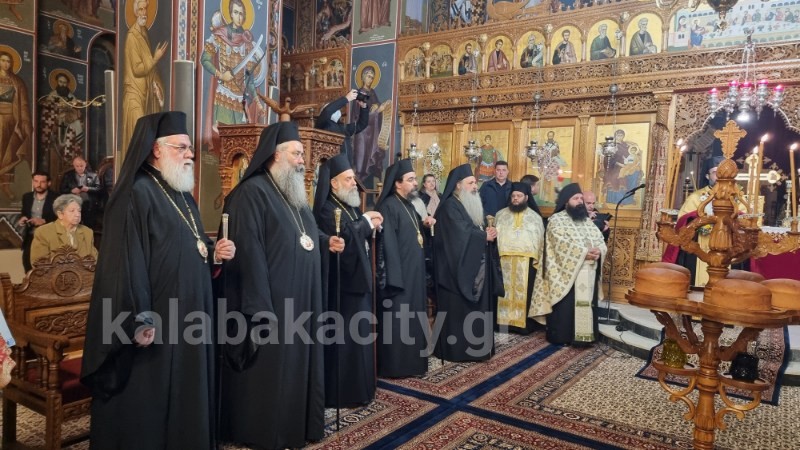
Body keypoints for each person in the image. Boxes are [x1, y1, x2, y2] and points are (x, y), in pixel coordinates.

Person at [81, 111, 235, 450]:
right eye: (182, 147)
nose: (190, 154)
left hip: (190, 316)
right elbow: (125, 263)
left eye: (190, 148)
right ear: (156, 149)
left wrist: (214, 253)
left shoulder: (181, 194)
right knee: (151, 397)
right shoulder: (136, 193)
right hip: (156, 320)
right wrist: (140, 318)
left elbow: (191, 244)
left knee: (185, 391)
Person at [220, 121, 342, 449]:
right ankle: (264, 432)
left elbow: (305, 235)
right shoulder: (250, 194)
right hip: (271, 306)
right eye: (297, 154)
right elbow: (249, 254)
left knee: (297, 368)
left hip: (302, 302)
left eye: (302, 155)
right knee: (271, 375)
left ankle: (296, 426)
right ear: (276, 154)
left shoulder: (293, 195)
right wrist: (260, 310)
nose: (303, 161)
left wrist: (325, 242)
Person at [313, 153, 383, 408]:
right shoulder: (326, 209)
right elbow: (344, 237)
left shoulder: (350, 206)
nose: (355, 183)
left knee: (361, 339)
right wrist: (365, 222)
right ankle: (344, 393)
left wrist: (373, 228)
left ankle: (362, 389)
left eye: (353, 178)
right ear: (333, 183)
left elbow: (359, 235)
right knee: (346, 341)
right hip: (342, 287)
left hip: (359, 281)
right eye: (349, 179)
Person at [433, 164, 503, 361]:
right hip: (455, 272)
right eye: (471, 183)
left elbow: (474, 228)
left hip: (476, 267)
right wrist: (482, 237)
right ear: (458, 185)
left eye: (475, 183)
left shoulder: (468, 204)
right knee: (458, 314)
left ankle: (479, 348)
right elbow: (458, 235)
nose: (475, 187)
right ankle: (458, 351)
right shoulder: (449, 206)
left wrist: (488, 233)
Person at [375, 159, 433, 377]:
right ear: (397, 183)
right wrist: (394, 279)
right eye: (410, 180)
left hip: (414, 274)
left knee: (414, 319)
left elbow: (416, 236)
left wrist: (425, 226)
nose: (415, 183)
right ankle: (397, 367)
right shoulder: (388, 206)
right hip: (398, 278)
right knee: (398, 320)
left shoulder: (408, 205)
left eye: (415, 179)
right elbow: (387, 244)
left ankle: (414, 364)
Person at [529, 183, 607, 345]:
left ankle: (585, 337)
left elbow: (599, 239)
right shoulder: (556, 220)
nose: (579, 201)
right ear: (566, 201)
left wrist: (599, 250)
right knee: (567, 308)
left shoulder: (586, 221)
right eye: (575, 198)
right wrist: (584, 253)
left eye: (581, 198)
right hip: (566, 274)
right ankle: (563, 337)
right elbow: (559, 244)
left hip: (588, 271)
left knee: (587, 305)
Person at [201, 0, 266, 153]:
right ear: (230, 13)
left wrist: (258, 102)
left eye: (241, 14)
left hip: (239, 101)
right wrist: (220, 74)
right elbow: (205, 59)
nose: (239, 17)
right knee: (223, 145)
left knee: (239, 147)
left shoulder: (247, 41)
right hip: (224, 96)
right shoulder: (220, 35)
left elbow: (249, 79)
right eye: (236, 12)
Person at [496, 182, 544, 334]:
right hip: (504, 261)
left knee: (523, 292)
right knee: (504, 292)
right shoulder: (500, 215)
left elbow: (539, 240)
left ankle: (522, 326)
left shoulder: (535, 217)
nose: (515, 198)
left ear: (526, 197)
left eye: (519, 196)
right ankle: (503, 324)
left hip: (526, 262)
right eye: (513, 196)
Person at [121, 0, 167, 151]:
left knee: (148, 135)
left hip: (145, 94)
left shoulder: (144, 33)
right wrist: (155, 58)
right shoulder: (132, 36)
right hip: (134, 94)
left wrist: (156, 85)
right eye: (140, 10)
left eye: (145, 9)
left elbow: (149, 68)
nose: (144, 13)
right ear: (135, 12)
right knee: (139, 135)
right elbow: (137, 69)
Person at [0, 49, 32, 200]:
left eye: (8, 61)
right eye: (3, 60)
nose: (6, 64)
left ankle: (5, 186)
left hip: (11, 120)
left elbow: (23, 104)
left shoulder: (17, 82)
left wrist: (25, 122)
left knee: (9, 153)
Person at [29, 194, 96, 264]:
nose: (77, 214)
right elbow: (39, 264)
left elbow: (95, 261)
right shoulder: (43, 232)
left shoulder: (87, 232)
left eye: (79, 211)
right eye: (72, 211)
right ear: (60, 214)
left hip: (85, 271)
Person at [18, 171, 58, 271]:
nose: (38, 185)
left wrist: (44, 221)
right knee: (27, 265)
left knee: (48, 269)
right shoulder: (26, 197)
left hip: (49, 238)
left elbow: (63, 219)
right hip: (31, 236)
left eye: (42, 182)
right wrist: (23, 218)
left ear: (49, 183)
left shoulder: (57, 198)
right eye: (36, 181)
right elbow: (24, 213)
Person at [314, 89, 369, 159]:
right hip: (331, 163)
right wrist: (346, 99)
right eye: (334, 108)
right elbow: (327, 111)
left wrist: (363, 107)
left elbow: (362, 125)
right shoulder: (321, 124)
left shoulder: (343, 127)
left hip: (346, 163)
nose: (336, 110)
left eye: (337, 109)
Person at [60, 155, 100, 228]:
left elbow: (99, 189)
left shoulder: (93, 175)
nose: (79, 168)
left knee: (88, 226)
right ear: (74, 165)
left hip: (89, 205)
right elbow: (61, 190)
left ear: (85, 164)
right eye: (77, 166)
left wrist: (88, 189)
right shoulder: (68, 175)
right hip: (72, 204)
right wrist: (71, 190)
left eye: (81, 166)